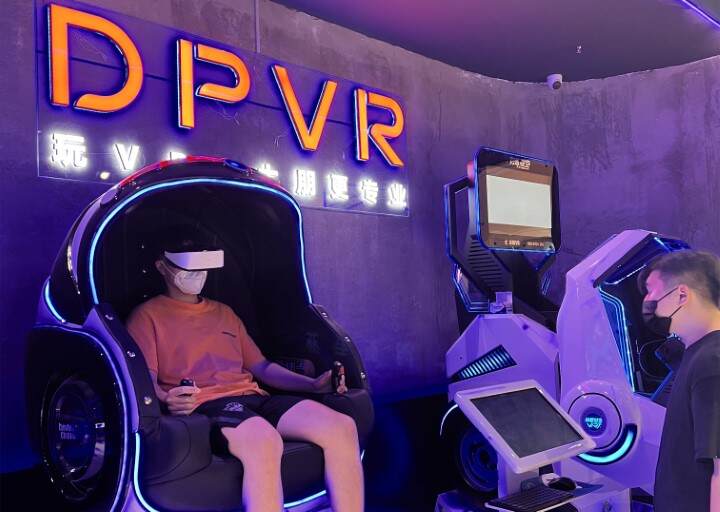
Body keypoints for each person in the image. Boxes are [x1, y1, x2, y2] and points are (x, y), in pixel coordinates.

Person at [126, 229, 364, 512]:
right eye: (189, 265)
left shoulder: (224, 312)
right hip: (208, 403)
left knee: (342, 427)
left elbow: (261, 367)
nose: (198, 274)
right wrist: (167, 398)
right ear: (162, 266)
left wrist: (311, 385)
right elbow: (145, 379)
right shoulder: (147, 316)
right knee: (264, 441)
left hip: (255, 397)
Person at [639, 250, 720, 512]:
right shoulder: (698, 353)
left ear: (682, 295)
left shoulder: (711, 361)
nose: (647, 301)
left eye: (651, 291)